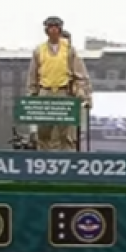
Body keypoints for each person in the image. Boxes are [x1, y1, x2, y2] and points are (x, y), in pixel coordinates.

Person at [26, 16, 91, 151]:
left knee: (66, 132)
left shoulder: (69, 50)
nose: (54, 31)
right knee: (43, 131)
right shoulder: (39, 50)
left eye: (56, 28)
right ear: (47, 31)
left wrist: (83, 93)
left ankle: (67, 159)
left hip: (64, 92)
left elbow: (80, 73)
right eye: (51, 28)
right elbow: (33, 74)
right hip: (45, 91)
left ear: (60, 30)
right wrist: (32, 95)